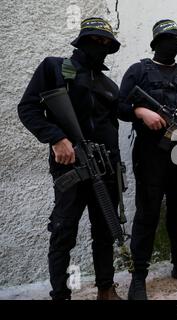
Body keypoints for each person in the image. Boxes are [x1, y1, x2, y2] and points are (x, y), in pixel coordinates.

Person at [17, 17, 123, 300]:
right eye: (95, 40)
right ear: (82, 39)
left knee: (105, 231)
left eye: (105, 42)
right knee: (64, 231)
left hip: (105, 169)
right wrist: (56, 138)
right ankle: (61, 294)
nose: (100, 46)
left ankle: (105, 288)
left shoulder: (109, 84)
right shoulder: (55, 67)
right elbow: (28, 108)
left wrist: (116, 167)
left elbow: (112, 126)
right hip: (70, 167)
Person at [119, 19, 177, 300]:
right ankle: (138, 277)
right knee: (147, 214)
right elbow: (121, 106)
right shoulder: (139, 70)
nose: (172, 44)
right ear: (156, 43)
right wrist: (140, 112)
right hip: (151, 155)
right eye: (167, 40)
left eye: (176, 40)